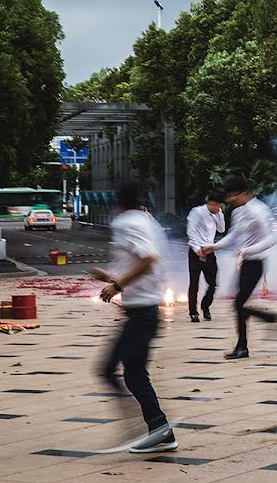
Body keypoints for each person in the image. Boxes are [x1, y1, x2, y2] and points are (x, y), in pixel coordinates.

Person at [91, 180, 178, 453]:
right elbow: (147, 263)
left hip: (143, 313)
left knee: (130, 373)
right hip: (144, 311)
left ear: (117, 203)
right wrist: (112, 278)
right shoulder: (147, 221)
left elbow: (149, 259)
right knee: (119, 371)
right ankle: (151, 427)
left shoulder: (127, 222)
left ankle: (158, 429)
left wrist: (117, 286)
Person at [202, 177, 277, 359]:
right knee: (238, 304)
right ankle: (245, 343)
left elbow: (274, 237)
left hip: (256, 262)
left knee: (238, 304)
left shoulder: (259, 210)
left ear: (244, 193)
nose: (231, 200)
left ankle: (247, 342)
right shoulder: (238, 212)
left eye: (233, 196)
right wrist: (213, 246)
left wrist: (248, 250)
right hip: (245, 263)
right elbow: (233, 236)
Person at [186, 192, 225, 322]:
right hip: (196, 251)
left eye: (220, 207)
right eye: (217, 206)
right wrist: (196, 249)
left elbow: (221, 229)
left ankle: (205, 306)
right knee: (194, 283)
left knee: (213, 283)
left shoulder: (217, 213)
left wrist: (219, 214)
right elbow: (190, 231)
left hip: (209, 250)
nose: (218, 208)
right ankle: (193, 312)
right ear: (211, 203)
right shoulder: (197, 212)